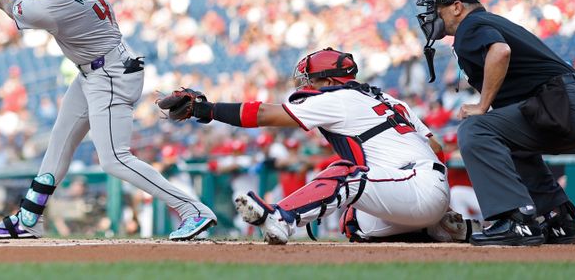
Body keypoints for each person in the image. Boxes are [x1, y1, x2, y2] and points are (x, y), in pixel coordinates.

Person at [0, 0, 216, 241]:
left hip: (110, 76)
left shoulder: (50, 5)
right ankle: (28, 219)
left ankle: (193, 210)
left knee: (114, 159)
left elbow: (16, 6)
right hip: (99, 69)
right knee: (58, 145)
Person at [158, 47, 479, 245]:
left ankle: (281, 219)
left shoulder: (339, 98)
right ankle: (436, 229)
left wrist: (208, 109)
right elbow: (435, 147)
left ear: (328, 81)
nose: (306, 86)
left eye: (311, 80)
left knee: (347, 172)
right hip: (421, 184)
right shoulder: (388, 99)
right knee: (353, 222)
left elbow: (268, 114)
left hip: (415, 185)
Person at [415, 0, 575, 246]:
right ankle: (558, 219)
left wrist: (481, 106)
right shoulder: (488, 21)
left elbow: (500, 52)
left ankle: (516, 219)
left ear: (457, 7)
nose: (432, 15)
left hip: (565, 103)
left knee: (475, 129)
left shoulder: (471, 25)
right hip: (574, 103)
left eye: (437, 8)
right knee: (507, 140)